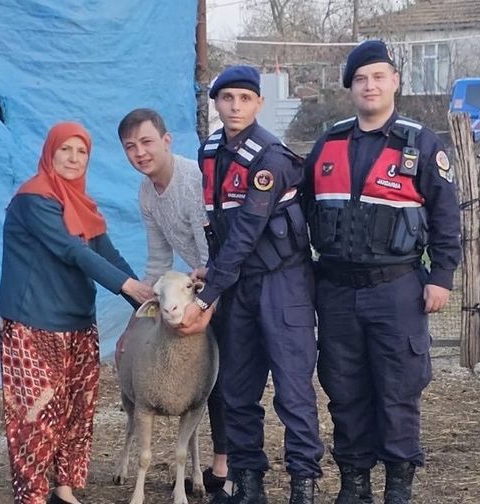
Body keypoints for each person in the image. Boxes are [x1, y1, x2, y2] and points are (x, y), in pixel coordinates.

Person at [302, 40, 461, 504]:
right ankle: (354, 486)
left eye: (377, 77)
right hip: (336, 292)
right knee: (344, 389)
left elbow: (447, 216)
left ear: (395, 81)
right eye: (360, 79)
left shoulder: (421, 144)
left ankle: (398, 486)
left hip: (397, 290)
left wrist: (441, 276)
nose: (369, 86)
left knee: (398, 390)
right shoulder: (328, 144)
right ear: (350, 87)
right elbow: (303, 210)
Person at [179, 65, 324, 504]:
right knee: (237, 390)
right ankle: (248, 484)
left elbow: (245, 232)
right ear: (215, 103)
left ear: (259, 103)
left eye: (245, 98)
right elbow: (218, 225)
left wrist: (208, 296)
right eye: (227, 98)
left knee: (293, 391)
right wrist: (214, 272)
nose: (235, 107)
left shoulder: (271, 158)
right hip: (239, 285)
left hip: (283, 284)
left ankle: (303, 485)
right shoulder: (209, 152)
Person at [0, 122, 144, 504]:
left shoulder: (82, 205)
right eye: (66, 149)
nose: (74, 158)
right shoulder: (33, 199)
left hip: (78, 322)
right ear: (50, 153)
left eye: (82, 152)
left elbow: (107, 254)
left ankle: (63, 490)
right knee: (35, 413)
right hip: (32, 322)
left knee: (77, 410)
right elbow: (71, 250)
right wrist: (126, 286)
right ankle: (31, 495)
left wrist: (145, 303)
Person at [115, 108, 228, 492]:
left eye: (147, 142)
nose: (140, 153)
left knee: (219, 375)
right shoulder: (147, 192)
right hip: (197, 288)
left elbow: (210, 254)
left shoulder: (192, 181)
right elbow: (158, 261)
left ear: (166, 140)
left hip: (223, 282)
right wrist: (134, 324)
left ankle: (226, 467)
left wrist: (202, 305)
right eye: (130, 147)